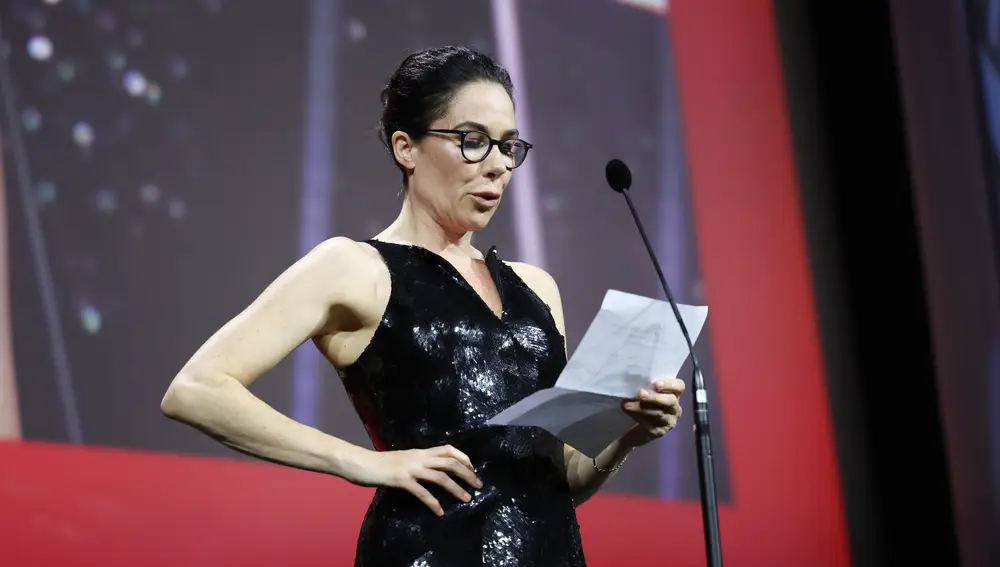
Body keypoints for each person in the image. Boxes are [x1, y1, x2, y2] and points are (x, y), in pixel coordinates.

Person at [161, 45, 685, 566]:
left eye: (508, 146)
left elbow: (562, 481)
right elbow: (196, 390)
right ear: (405, 148)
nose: (499, 166)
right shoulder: (355, 267)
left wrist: (627, 436)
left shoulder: (537, 288)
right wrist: (360, 462)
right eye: (473, 142)